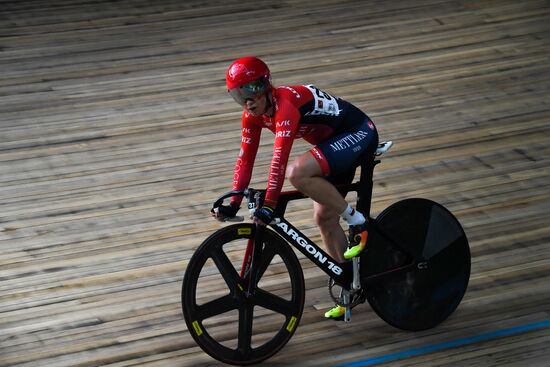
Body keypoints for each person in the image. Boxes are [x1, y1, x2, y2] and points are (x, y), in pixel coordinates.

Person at [213, 56, 379, 319]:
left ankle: (358, 222)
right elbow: (245, 159)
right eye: (239, 95)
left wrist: (269, 205)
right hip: (335, 143)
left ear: (265, 85)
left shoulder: (285, 106)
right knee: (323, 218)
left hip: (358, 131)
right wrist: (233, 201)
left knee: (298, 173)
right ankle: (350, 288)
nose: (247, 101)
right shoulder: (252, 117)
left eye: (251, 90)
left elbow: (279, 160)